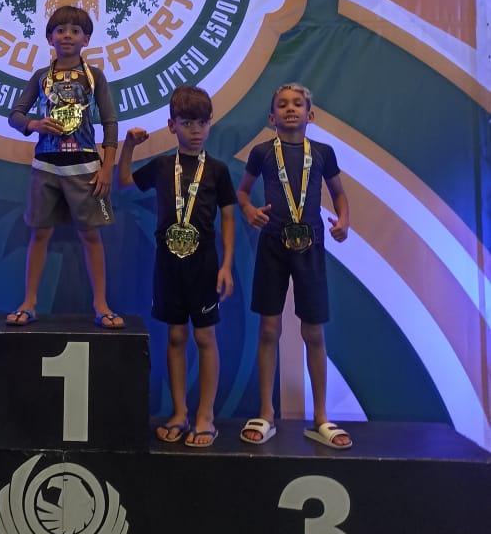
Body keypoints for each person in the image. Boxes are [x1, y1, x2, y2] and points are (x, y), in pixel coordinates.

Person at [118, 86, 236, 447]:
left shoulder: (217, 171)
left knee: (205, 337)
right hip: (168, 266)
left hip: (204, 266)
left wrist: (227, 266)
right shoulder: (161, 166)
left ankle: (206, 416)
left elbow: (228, 218)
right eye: (187, 123)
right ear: (172, 126)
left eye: (202, 123)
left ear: (210, 123)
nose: (195, 130)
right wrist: (128, 147)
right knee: (175, 336)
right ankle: (180, 412)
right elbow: (124, 182)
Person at [236, 82, 351, 449]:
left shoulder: (323, 153)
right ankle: (266, 413)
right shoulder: (261, 153)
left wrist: (344, 221)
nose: (290, 109)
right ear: (271, 118)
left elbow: (339, 194)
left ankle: (321, 417)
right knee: (269, 329)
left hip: (310, 246)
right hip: (272, 244)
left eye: (297, 104)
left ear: (309, 114)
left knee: (313, 331)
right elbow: (242, 192)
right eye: (282, 105)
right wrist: (249, 210)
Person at [6, 5, 122, 327]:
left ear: (86, 39)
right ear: (49, 38)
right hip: (45, 165)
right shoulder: (41, 77)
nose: (67, 35)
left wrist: (107, 168)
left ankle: (101, 304)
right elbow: (15, 115)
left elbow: (110, 122)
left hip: (85, 166)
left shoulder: (95, 76)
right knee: (40, 234)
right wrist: (34, 125)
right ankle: (29, 302)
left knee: (91, 235)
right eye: (60, 30)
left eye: (75, 30)